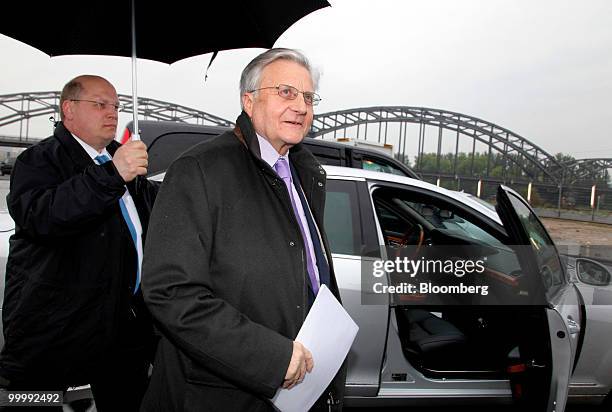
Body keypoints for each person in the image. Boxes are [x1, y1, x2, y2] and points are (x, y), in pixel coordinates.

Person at [140, 48, 346, 411]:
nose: (301, 106)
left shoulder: (303, 173)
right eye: (286, 92)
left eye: (308, 97)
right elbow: (171, 293)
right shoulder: (199, 170)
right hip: (220, 395)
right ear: (248, 101)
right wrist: (272, 356)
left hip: (297, 389)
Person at [0, 75, 159, 411]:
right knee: (38, 402)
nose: (113, 113)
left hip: (121, 329)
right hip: (56, 334)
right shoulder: (40, 159)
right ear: (68, 110)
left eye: (116, 106)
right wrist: (113, 175)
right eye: (100, 104)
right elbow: (42, 216)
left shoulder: (123, 159)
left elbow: (152, 215)